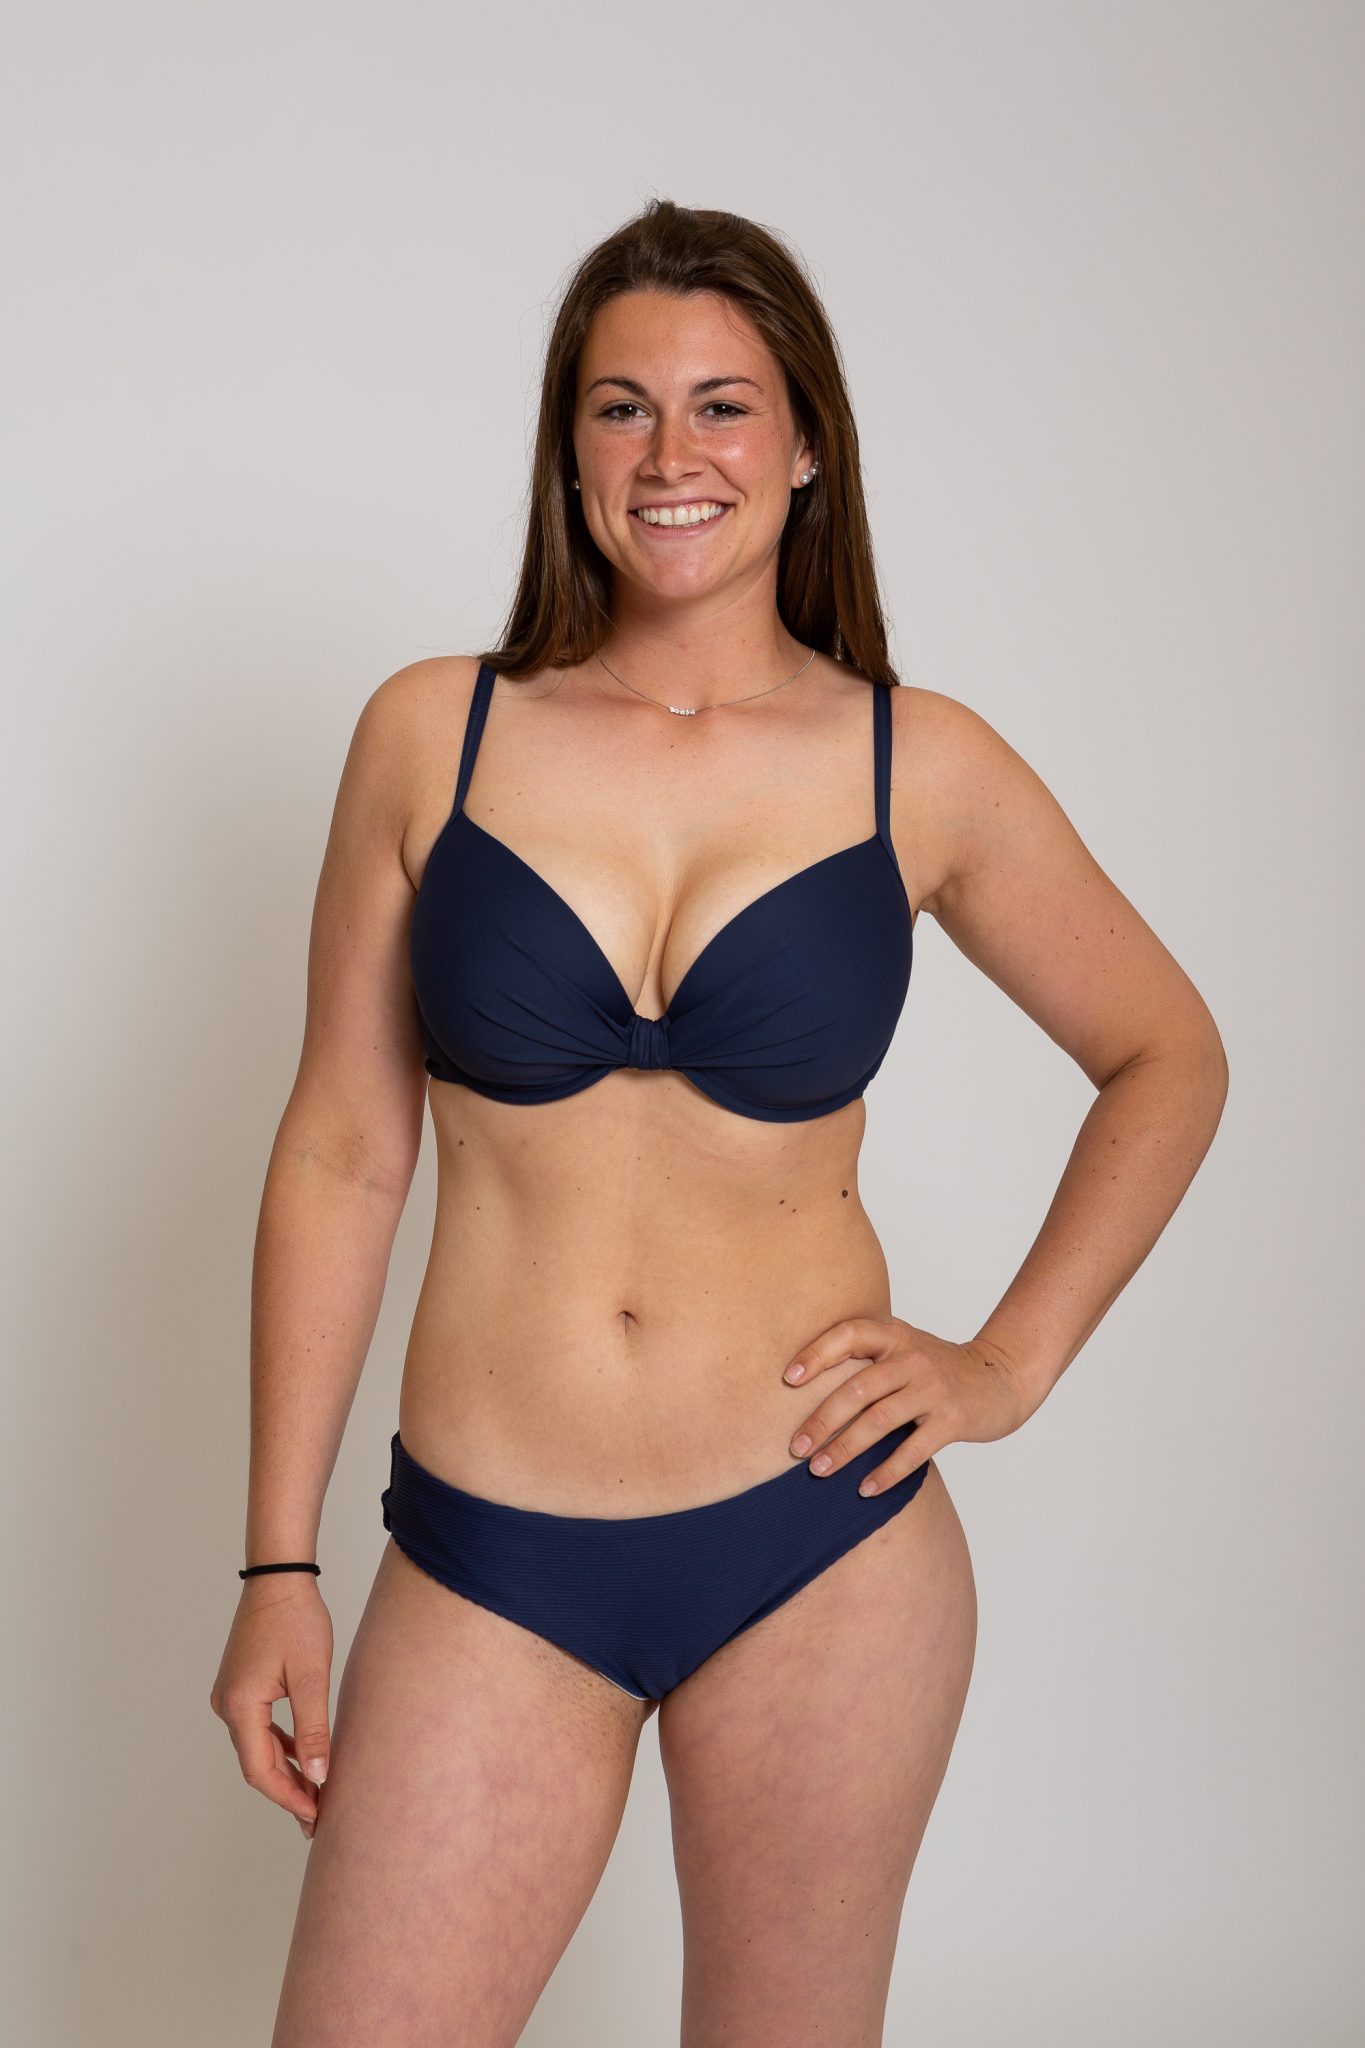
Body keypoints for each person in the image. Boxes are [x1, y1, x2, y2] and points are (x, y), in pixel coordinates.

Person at [211, 198, 1228, 2047]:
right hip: (492, 1551)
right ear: (567, 449)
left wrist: (1004, 1364)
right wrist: (280, 1561)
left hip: (819, 1543)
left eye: (722, 405)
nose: (670, 454)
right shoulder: (431, 734)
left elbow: (1167, 1054)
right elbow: (343, 1152)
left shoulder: (920, 764)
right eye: (620, 407)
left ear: (807, 442)